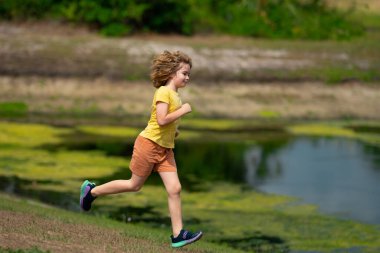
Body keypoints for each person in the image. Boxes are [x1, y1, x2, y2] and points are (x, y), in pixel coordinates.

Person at [79, 50, 203, 248]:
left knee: (175, 189)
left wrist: (174, 132)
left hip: (165, 149)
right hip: (149, 145)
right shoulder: (163, 92)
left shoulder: (175, 95)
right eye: (184, 73)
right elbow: (162, 120)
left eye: (189, 74)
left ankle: (178, 235)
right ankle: (91, 192)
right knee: (134, 185)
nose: (187, 77)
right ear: (172, 73)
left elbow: (165, 123)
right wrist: (183, 110)